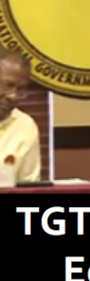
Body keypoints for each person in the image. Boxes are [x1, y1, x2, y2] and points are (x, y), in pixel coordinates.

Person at [0, 48, 40, 182]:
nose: (13, 96)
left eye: (21, 90)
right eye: (7, 85)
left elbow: (28, 186)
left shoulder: (25, 126)